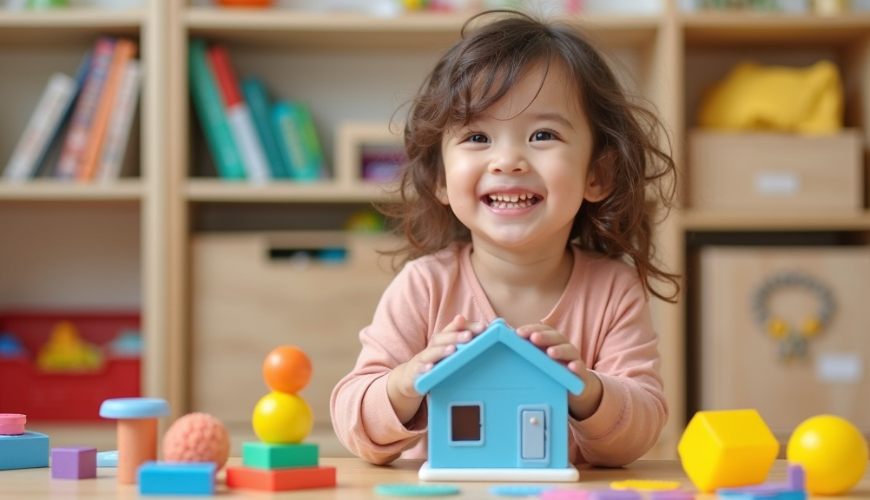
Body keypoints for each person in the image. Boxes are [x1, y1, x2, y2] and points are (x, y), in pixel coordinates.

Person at [330, 9, 679, 468]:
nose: (508, 160)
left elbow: (640, 431)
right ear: (440, 178)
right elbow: (354, 424)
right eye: (478, 137)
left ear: (597, 174)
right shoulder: (424, 286)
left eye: (542, 134)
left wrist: (586, 390)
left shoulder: (613, 290)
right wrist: (407, 381)